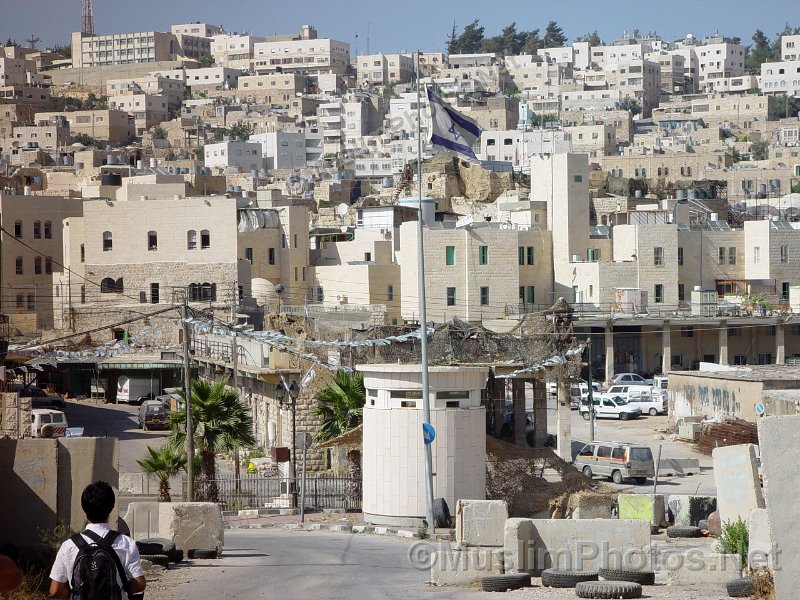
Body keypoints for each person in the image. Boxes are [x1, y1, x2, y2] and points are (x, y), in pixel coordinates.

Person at [49, 481, 146, 599]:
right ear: (111, 506)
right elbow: (139, 584)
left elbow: (55, 591)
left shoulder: (69, 545)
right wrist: (116, 588)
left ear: (84, 507)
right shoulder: (126, 543)